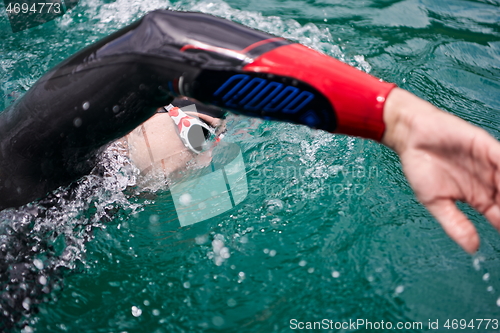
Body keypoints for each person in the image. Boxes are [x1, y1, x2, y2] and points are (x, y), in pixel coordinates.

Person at [0, 9, 499, 254]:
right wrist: (399, 119)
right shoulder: (31, 162)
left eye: (214, 146)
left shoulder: (77, 216)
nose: (203, 159)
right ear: (137, 113)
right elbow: (156, 45)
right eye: (198, 134)